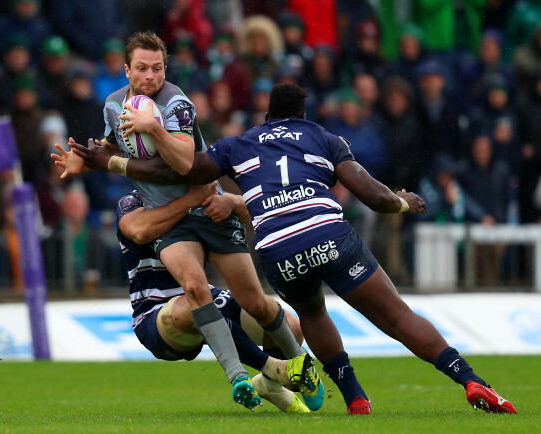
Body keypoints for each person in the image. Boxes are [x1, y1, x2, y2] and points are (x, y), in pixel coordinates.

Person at [68, 83, 518, 415]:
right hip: (328, 234)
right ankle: (472, 382)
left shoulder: (239, 143)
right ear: (303, 114)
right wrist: (404, 202)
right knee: (396, 316)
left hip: (278, 252)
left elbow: (179, 171)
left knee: (315, 315)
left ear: (267, 116)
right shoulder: (322, 137)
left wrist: (110, 161)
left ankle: (356, 399)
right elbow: (373, 196)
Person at [52, 32, 323, 411]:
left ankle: (300, 366)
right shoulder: (113, 105)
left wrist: (154, 127)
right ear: (126, 69)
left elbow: (182, 165)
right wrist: (87, 159)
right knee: (196, 287)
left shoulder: (176, 103)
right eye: (142, 68)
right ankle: (239, 377)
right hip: (174, 221)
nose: (150, 76)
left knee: (256, 303)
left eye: (158, 68)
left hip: (206, 205)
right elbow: (114, 144)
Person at [116, 183, 311, 413]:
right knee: (194, 304)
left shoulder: (198, 189)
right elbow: (140, 230)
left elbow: (248, 214)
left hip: (204, 294)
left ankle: (268, 385)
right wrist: (191, 200)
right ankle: (271, 367)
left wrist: (232, 201)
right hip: (155, 314)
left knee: (292, 327)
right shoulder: (130, 202)